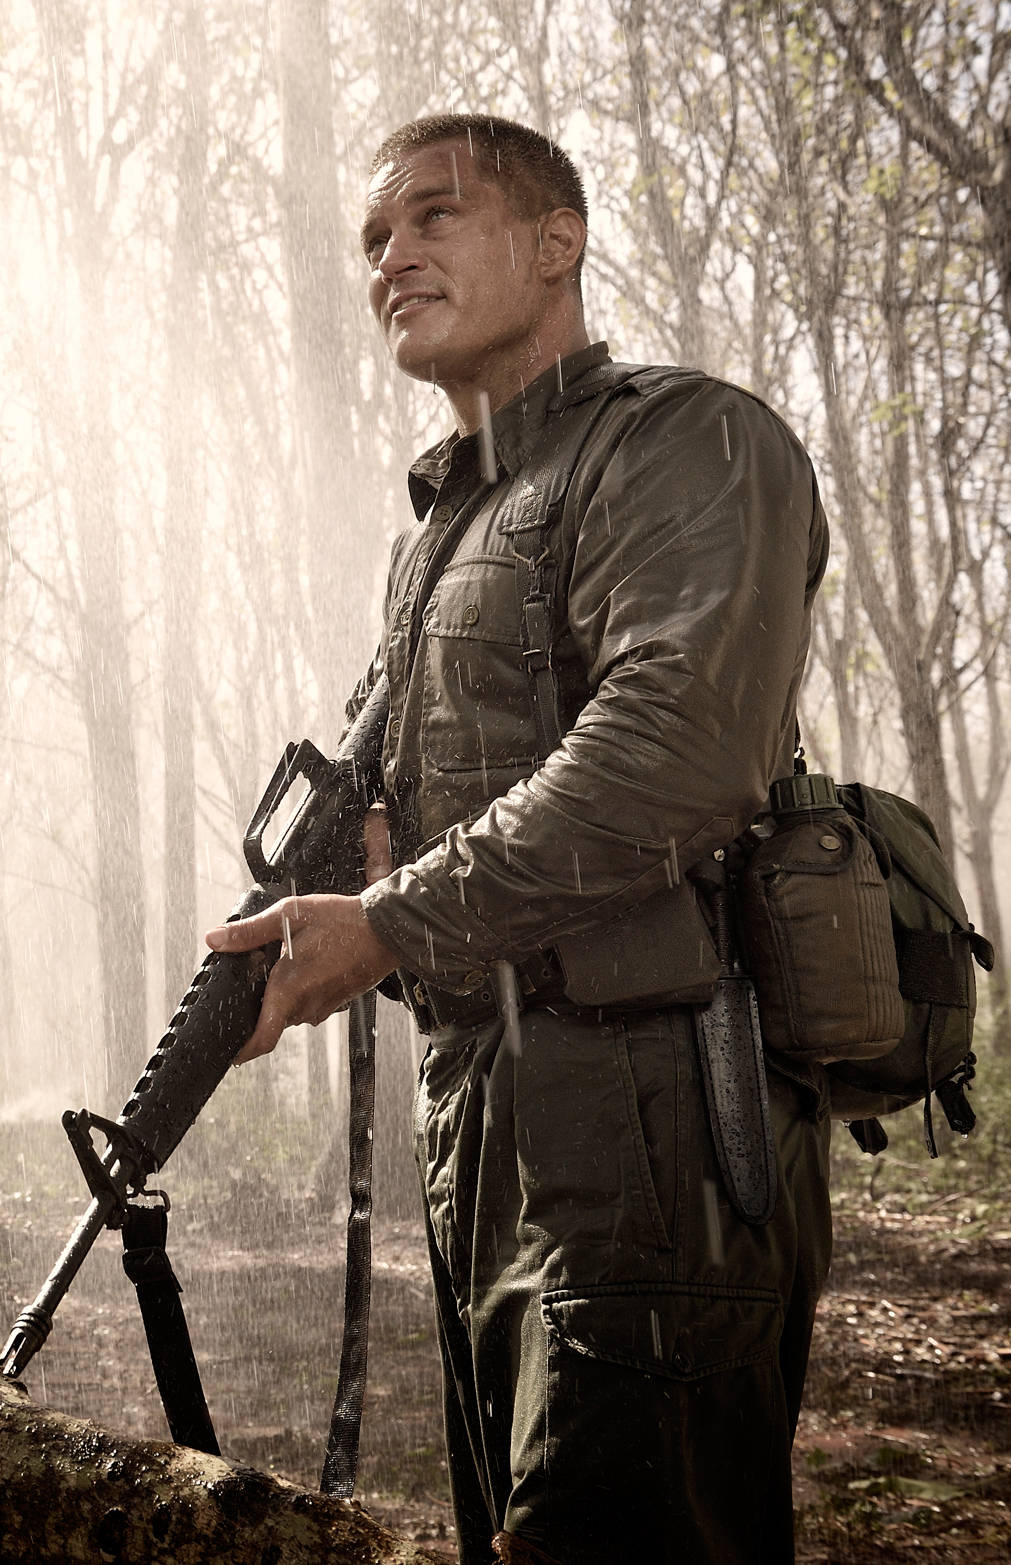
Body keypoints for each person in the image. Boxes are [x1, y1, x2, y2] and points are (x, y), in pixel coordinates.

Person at [205, 113, 833, 1564]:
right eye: (374, 240)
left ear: (559, 244)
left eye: (435, 218)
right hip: (483, 1120)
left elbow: (679, 753)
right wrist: (350, 897)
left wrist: (394, 920)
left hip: (650, 1116)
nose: (393, 258)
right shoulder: (439, 527)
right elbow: (465, 811)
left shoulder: (688, 440)